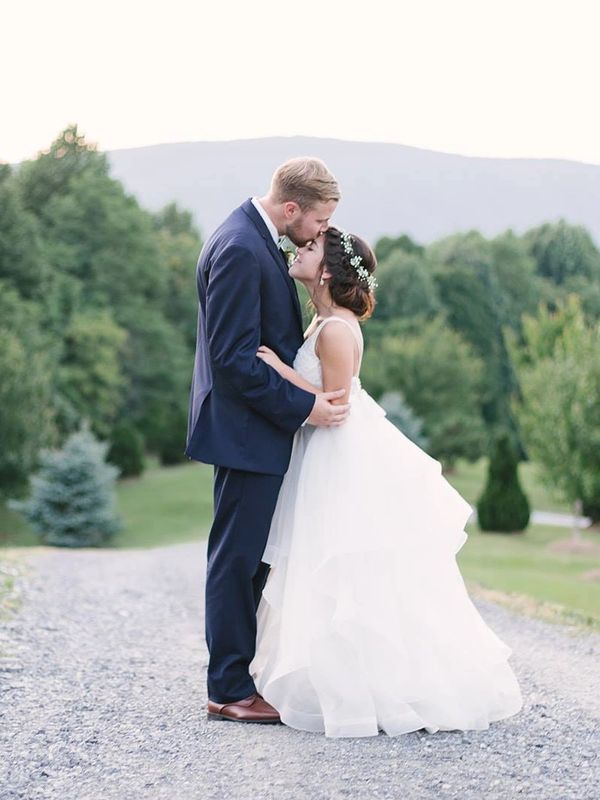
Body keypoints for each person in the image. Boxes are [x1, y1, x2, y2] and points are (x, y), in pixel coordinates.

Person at [250, 226, 523, 737]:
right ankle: (332, 678)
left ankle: (364, 688)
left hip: (337, 458)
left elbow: (334, 404)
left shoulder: (335, 329)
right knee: (328, 569)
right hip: (326, 452)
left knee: (341, 568)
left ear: (328, 269)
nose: (297, 251)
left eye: (308, 248)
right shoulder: (325, 320)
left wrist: (279, 372)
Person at [185, 158, 350, 724]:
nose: (322, 231)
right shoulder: (238, 247)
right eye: (320, 219)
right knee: (237, 559)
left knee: (253, 560)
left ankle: (242, 676)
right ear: (290, 209)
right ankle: (228, 689)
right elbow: (232, 361)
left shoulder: (256, 238)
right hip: (244, 431)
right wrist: (306, 406)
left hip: (257, 430)